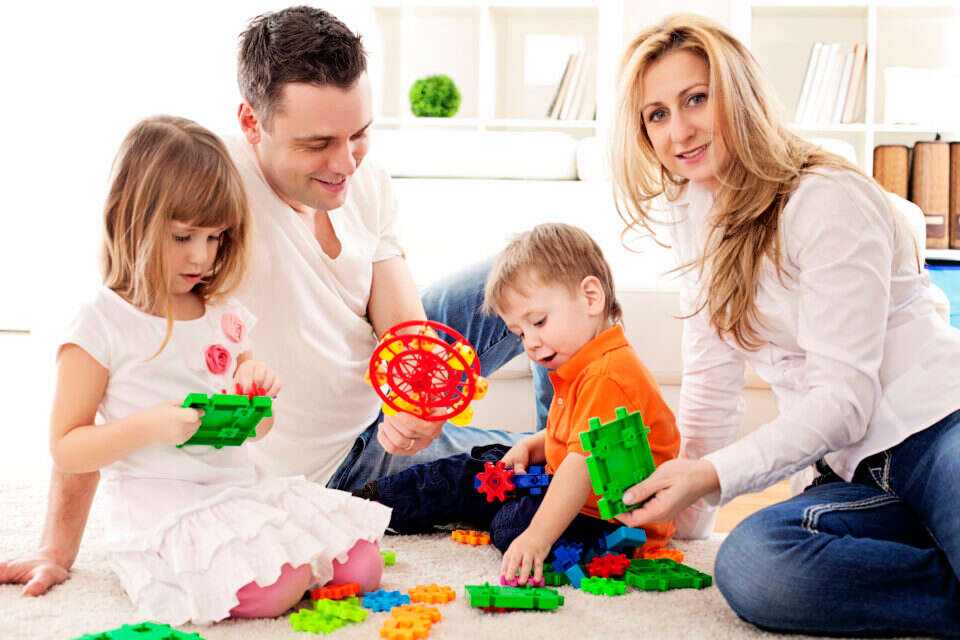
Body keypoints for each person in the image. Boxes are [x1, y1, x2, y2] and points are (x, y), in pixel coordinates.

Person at [0, 6, 538, 597]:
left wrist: (420, 397)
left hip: (376, 388)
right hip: (340, 461)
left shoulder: (364, 177)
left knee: (544, 269)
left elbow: (402, 324)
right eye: (318, 144)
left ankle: (563, 419)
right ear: (252, 123)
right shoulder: (214, 194)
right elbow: (112, 346)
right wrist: (55, 547)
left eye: (358, 134)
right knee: (538, 469)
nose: (345, 162)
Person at [608, 14, 960, 637]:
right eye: (656, 115)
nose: (678, 131)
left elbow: (845, 401)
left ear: (738, 94)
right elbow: (712, 375)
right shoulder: (692, 207)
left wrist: (710, 476)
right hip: (854, 475)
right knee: (754, 563)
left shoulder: (825, 196)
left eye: (696, 99)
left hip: (939, 431)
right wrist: (684, 517)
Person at [46, 116, 391, 624]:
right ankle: (278, 575)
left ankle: (287, 569)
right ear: (128, 219)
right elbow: (67, 447)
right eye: (183, 236)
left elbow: (259, 429)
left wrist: (257, 397)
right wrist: (150, 426)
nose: (201, 257)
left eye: (214, 238)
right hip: (164, 507)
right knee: (275, 587)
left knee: (364, 565)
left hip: (238, 490)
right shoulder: (102, 322)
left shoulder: (221, 314)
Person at [354, 223, 680, 585]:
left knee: (513, 525)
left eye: (539, 322)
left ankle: (483, 511)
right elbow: (572, 437)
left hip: (612, 525)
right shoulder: (583, 364)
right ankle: (368, 504)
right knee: (480, 468)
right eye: (521, 333)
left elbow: (582, 466)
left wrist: (536, 538)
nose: (531, 343)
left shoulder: (609, 375)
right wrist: (530, 445)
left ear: (591, 297)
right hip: (569, 489)